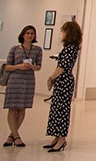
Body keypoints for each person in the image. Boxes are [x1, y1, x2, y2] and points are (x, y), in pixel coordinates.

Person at [43, 21, 81, 152]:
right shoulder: (69, 47)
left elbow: (63, 67)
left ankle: (62, 139)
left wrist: (51, 78)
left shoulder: (71, 48)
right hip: (61, 81)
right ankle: (56, 136)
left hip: (64, 82)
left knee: (62, 110)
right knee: (55, 109)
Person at [4, 25, 42, 147]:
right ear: (23, 35)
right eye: (27, 33)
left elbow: (39, 67)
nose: (30, 35)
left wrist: (32, 67)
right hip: (14, 81)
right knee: (12, 108)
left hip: (28, 82)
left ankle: (12, 135)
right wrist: (19, 66)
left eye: (32, 33)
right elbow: (7, 66)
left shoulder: (37, 50)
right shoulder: (15, 49)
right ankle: (16, 136)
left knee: (22, 108)